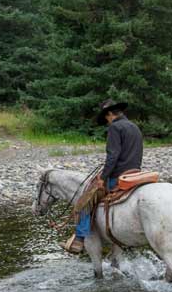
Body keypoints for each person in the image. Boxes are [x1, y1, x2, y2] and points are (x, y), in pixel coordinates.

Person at [60, 99, 144, 254]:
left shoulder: (115, 127)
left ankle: (79, 239)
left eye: (106, 117)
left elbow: (113, 156)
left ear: (110, 114)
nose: (107, 121)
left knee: (85, 201)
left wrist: (103, 178)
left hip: (118, 176)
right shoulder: (134, 127)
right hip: (135, 173)